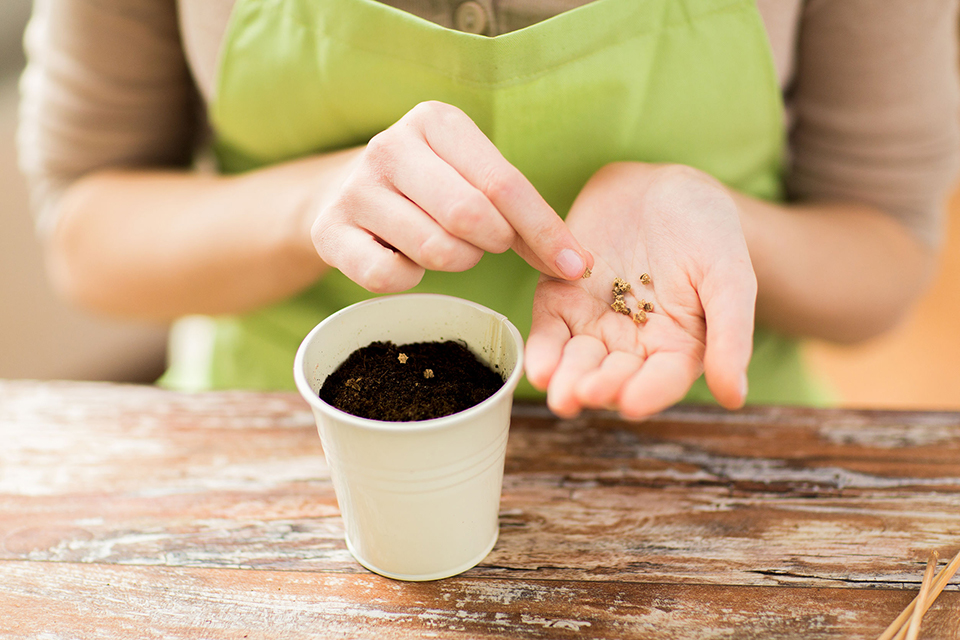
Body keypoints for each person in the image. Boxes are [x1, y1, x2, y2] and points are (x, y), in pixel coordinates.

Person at [18, 0, 960, 420]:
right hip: (278, 453)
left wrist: (716, 218)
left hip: (699, 446)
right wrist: (310, 200)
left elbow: (883, 253)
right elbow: (87, 231)